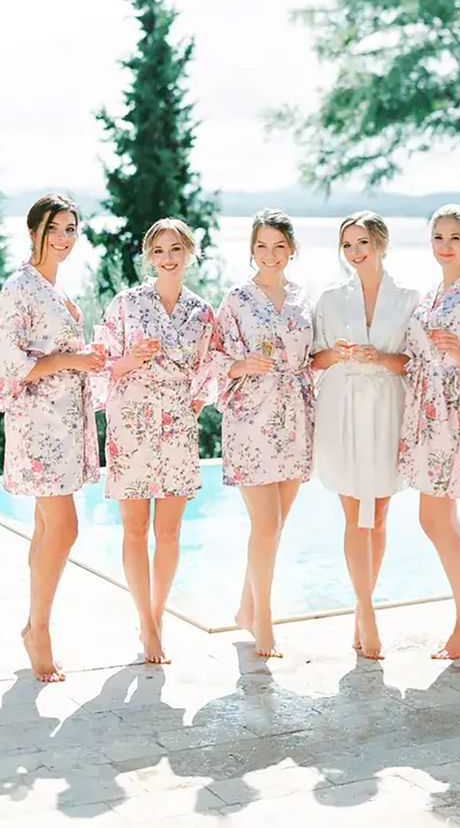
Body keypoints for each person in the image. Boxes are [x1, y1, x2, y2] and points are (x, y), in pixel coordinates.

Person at [95, 218, 217, 664]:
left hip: (177, 429)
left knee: (168, 532)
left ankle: (157, 617)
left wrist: (195, 403)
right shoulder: (126, 304)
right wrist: (130, 360)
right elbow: (100, 363)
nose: (167, 259)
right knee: (134, 529)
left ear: (189, 254)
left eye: (175, 250)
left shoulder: (203, 312)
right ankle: (146, 625)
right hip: (131, 425)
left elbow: (211, 368)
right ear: (149, 256)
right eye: (159, 251)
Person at [0, 194, 102, 681]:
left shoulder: (54, 287)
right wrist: (73, 360)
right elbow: (14, 363)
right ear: (34, 233)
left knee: (47, 527)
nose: (64, 238)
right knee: (64, 527)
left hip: (66, 419)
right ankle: (38, 630)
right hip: (38, 423)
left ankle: (33, 626)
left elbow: (58, 348)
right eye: (55, 229)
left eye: (70, 229)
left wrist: (89, 356)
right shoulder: (19, 288)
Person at [312, 212, 420, 659]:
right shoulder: (330, 299)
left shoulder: (410, 298)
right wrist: (336, 354)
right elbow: (313, 360)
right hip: (341, 407)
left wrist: (380, 356)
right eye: (348, 245)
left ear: (381, 243)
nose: (355, 253)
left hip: (388, 407)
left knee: (379, 517)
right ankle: (367, 612)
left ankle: (362, 610)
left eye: (362, 243)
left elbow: (416, 361)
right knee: (354, 512)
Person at [399, 204, 460, 660]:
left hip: (454, 415)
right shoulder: (431, 294)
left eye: (455, 237)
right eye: (438, 237)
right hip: (423, 413)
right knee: (439, 518)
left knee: (435, 518)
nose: (446, 245)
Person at [216, 209, 314, 658]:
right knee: (266, 524)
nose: (270, 255)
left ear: (291, 250)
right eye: (261, 246)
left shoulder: (302, 299)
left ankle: (243, 607)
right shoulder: (236, 299)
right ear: (251, 249)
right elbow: (212, 358)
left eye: (279, 246)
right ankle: (263, 622)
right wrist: (240, 365)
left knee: (276, 526)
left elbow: (312, 357)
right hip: (250, 418)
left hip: (294, 417)